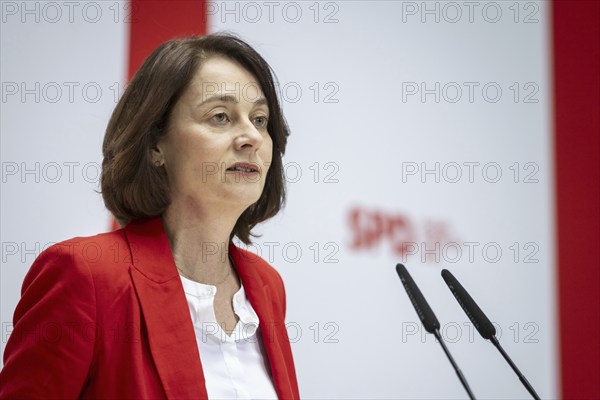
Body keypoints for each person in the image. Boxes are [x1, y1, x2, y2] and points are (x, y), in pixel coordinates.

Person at [0, 33, 300, 399]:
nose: (251, 136)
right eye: (220, 116)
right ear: (156, 143)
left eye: (260, 119)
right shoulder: (87, 275)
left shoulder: (266, 286)